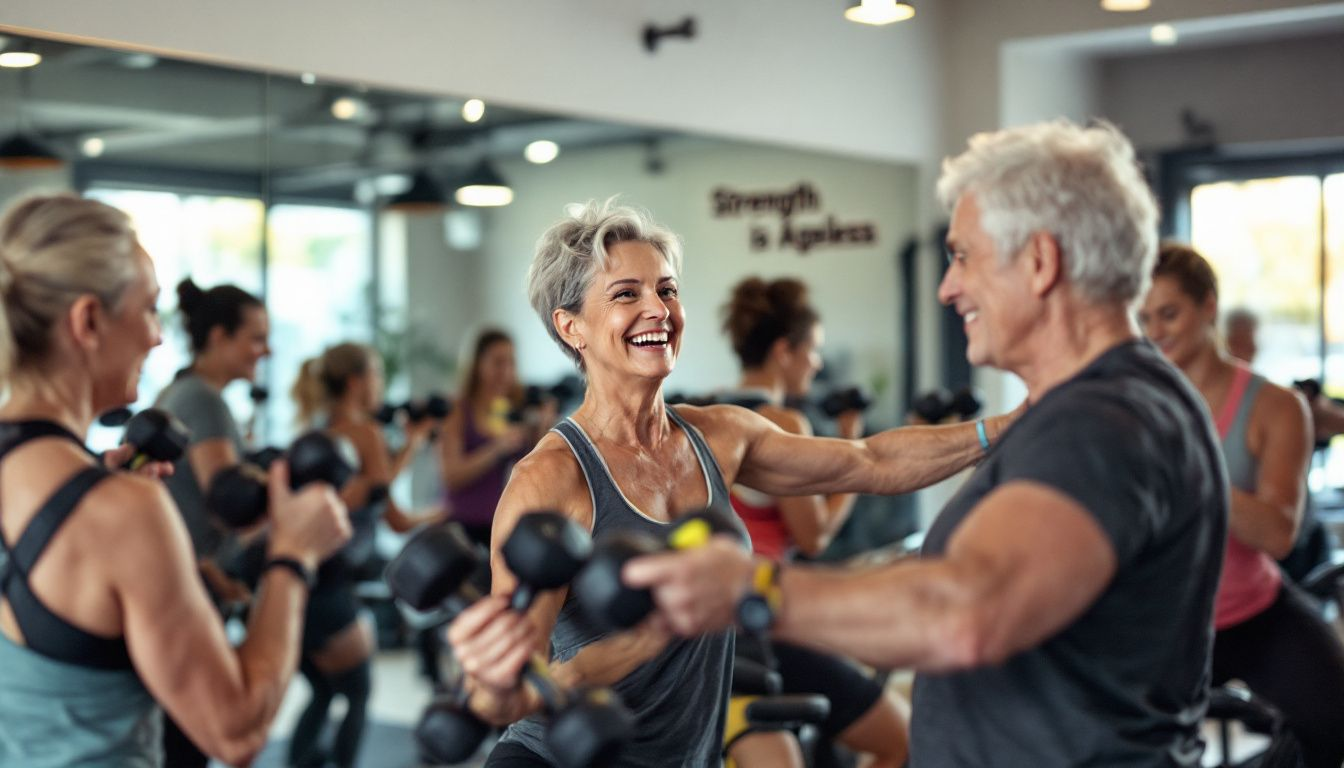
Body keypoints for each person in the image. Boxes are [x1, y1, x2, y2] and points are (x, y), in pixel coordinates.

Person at [623, 120, 1230, 768]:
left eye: (963, 255)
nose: (948, 287)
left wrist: (752, 590)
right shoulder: (1103, 406)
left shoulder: (1102, 423)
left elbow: (964, 610)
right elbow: (878, 472)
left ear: (1040, 261)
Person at [445, 198, 1018, 767]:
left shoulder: (719, 437)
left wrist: (1009, 428)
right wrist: (656, 631)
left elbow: (869, 461)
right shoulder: (551, 480)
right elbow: (510, 687)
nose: (658, 309)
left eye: (667, 289)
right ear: (571, 328)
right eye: (626, 294)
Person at [0, 193, 349, 767]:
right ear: (88, 321)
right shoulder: (119, 511)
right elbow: (235, 732)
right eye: (148, 310)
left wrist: (92, 489)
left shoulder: (84, 495)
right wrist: (292, 556)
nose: (158, 337)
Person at [1140, 243, 1344, 768]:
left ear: (1209, 306)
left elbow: (1278, 534)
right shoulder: (1133, 403)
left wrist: (1190, 472)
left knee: (1336, 722)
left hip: (1254, 610)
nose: (1155, 331)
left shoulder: (1276, 407)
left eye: (1169, 313)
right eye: (1143, 318)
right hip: (1164, 626)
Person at [719, 275, 907, 768]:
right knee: (902, 739)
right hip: (761, 623)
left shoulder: (705, 412)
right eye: (812, 350)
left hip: (712, 619)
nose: (816, 363)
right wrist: (851, 447)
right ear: (784, 352)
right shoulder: (783, 424)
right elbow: (815, 536)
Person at [289, 342, 442, 768]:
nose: (381, 383)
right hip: (332, 579)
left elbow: (375, 486)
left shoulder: (316, 432)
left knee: (323, 689)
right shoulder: (365, 434)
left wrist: (409, 445)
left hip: (299, 574)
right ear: (357, 381)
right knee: (357, 689)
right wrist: (443, 511)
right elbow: (394, 516)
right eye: (376, 373)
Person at [153, 277, 271, 766]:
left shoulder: (178, 391)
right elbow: (231, 502)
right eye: (255, 339)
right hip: (193, 587)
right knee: (194, 743)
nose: (263, 351)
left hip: (192, 580)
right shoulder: (203, 400)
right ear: (219, 337)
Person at [438, 328, 553, 550]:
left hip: (500, 526)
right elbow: (451, 476)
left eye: (511, 362)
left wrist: (542, 430)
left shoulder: (513, 411)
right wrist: (497, 448)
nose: (506, 371)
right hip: (461, 530)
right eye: (498, 362)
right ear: (477, 365)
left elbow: (533, 470)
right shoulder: (457, 410)